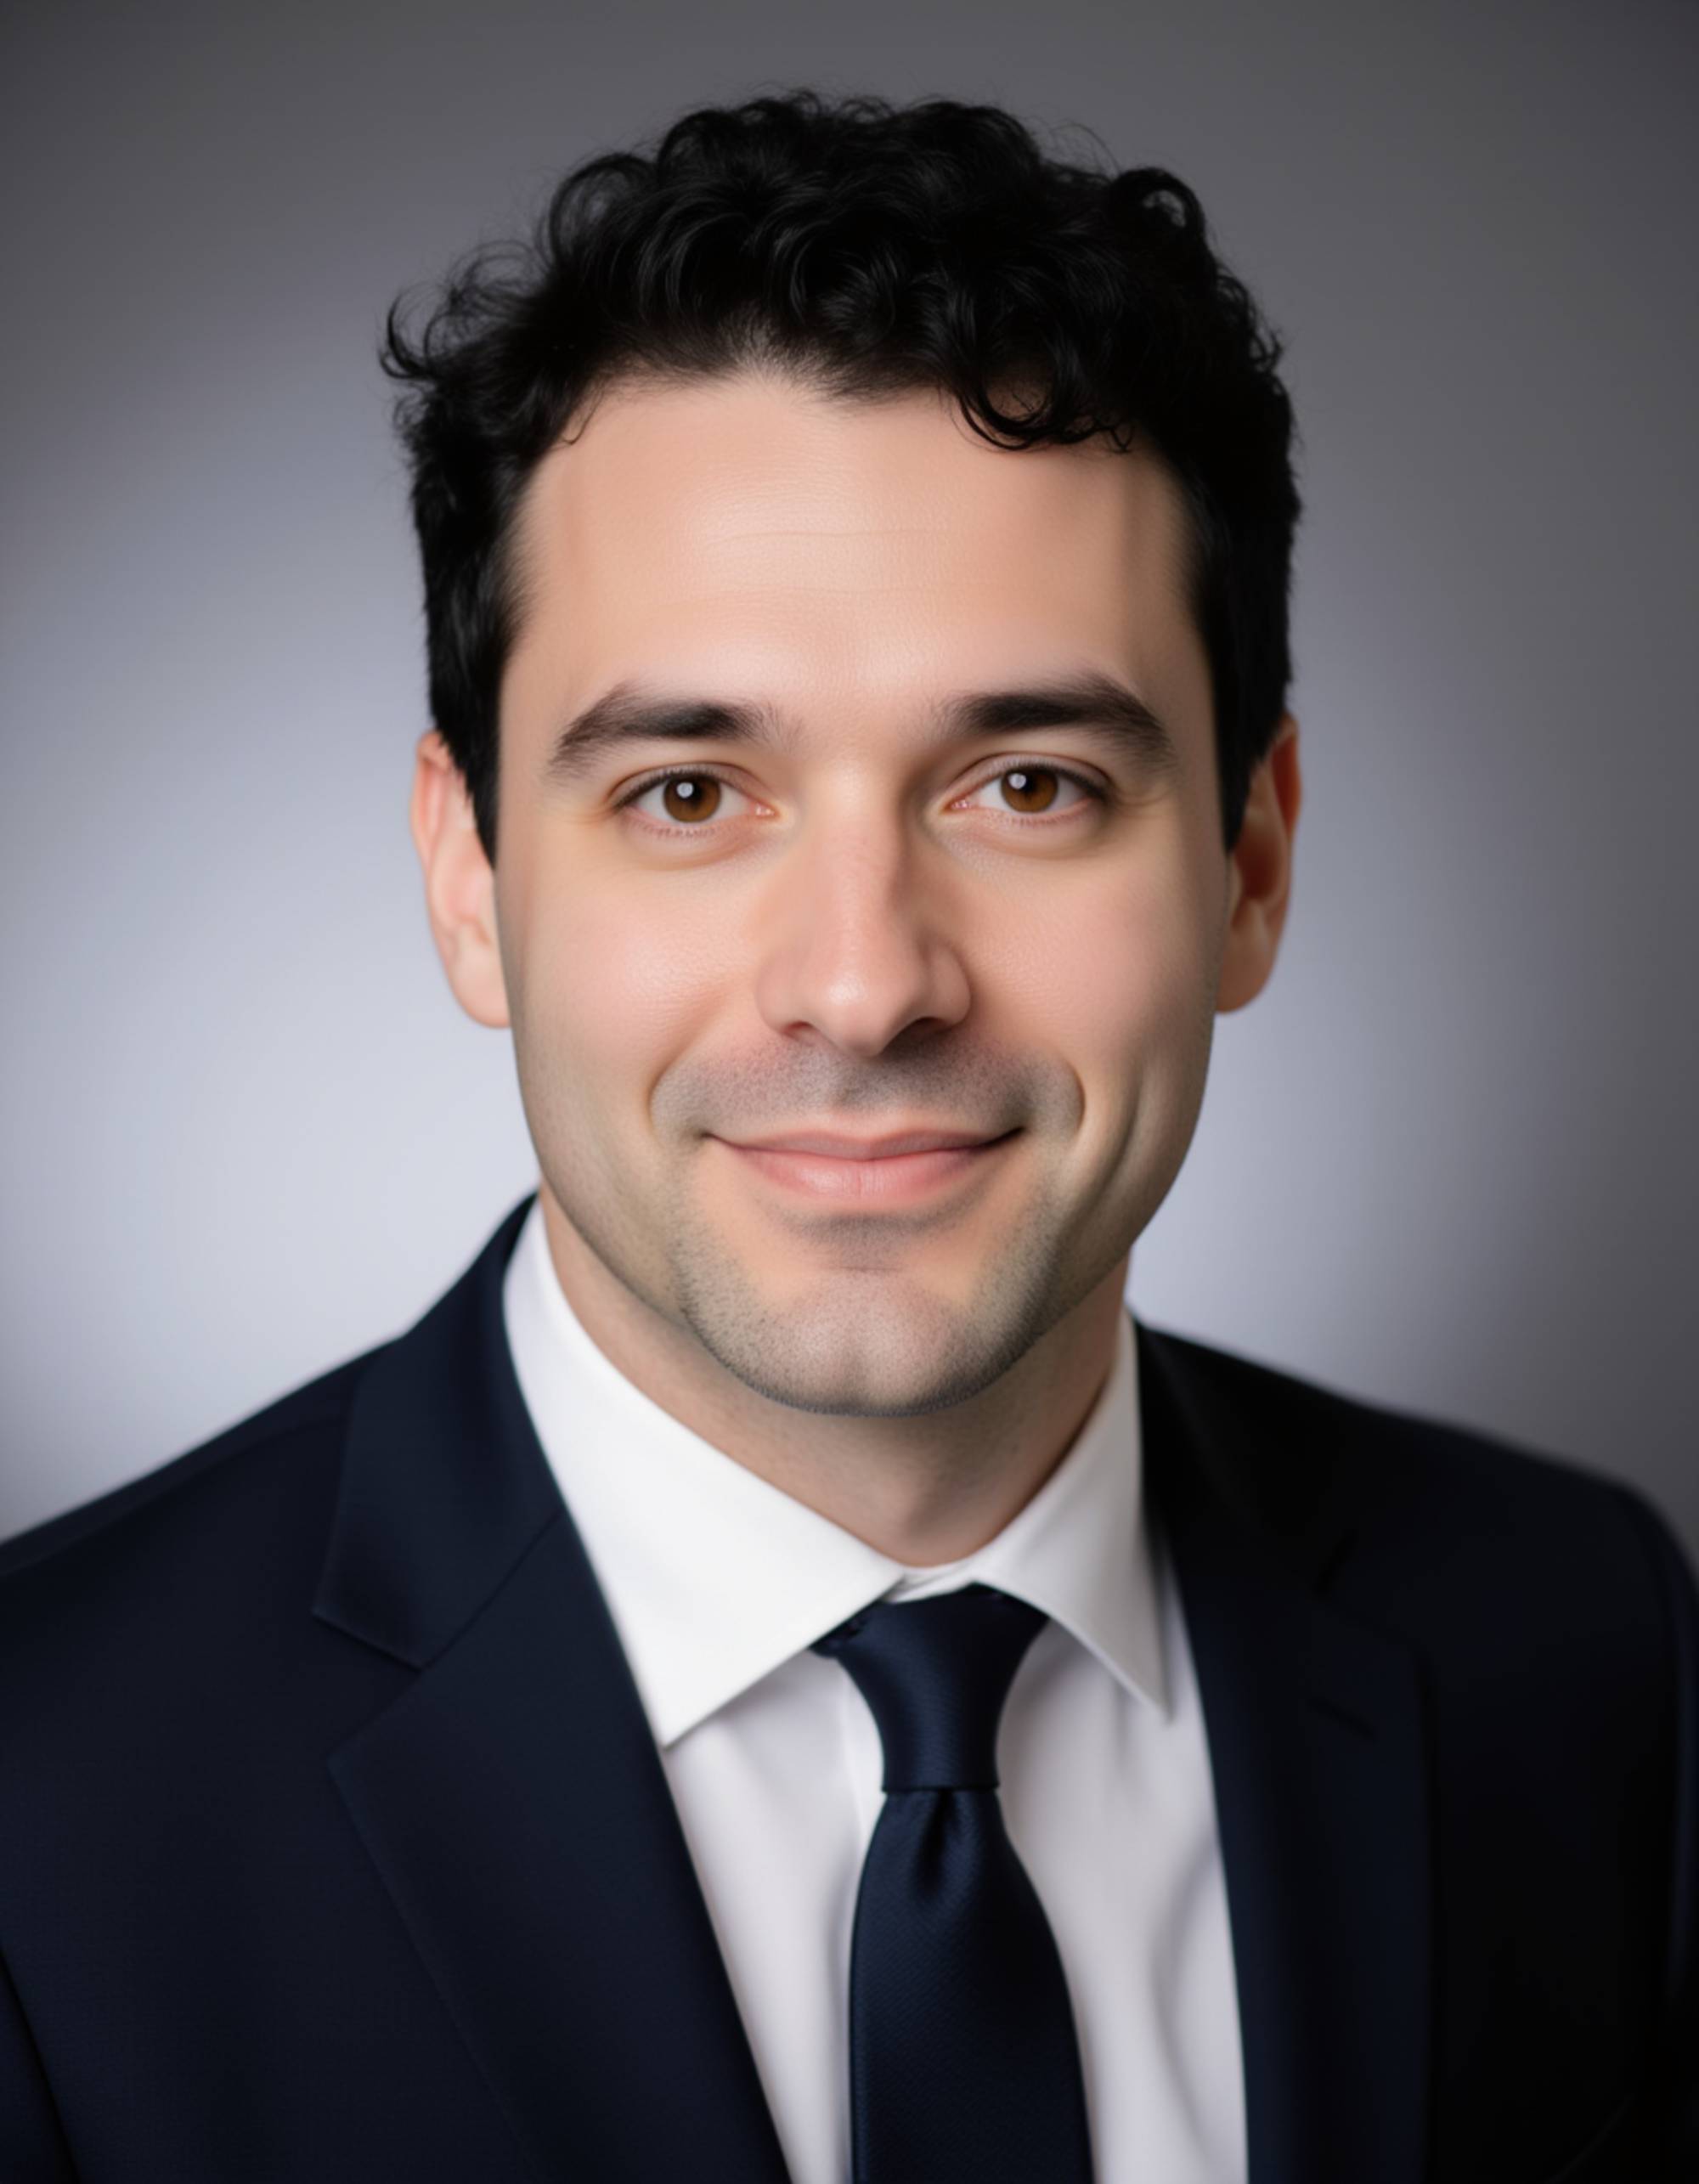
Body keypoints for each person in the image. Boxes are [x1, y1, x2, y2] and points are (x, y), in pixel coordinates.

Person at [0, 87, 1691, 2184]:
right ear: (469, 877)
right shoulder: (34, 1797)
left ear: (1250, 864)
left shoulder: (1586, 1643)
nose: (867, 981)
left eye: (1030, 784)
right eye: (689, 794)